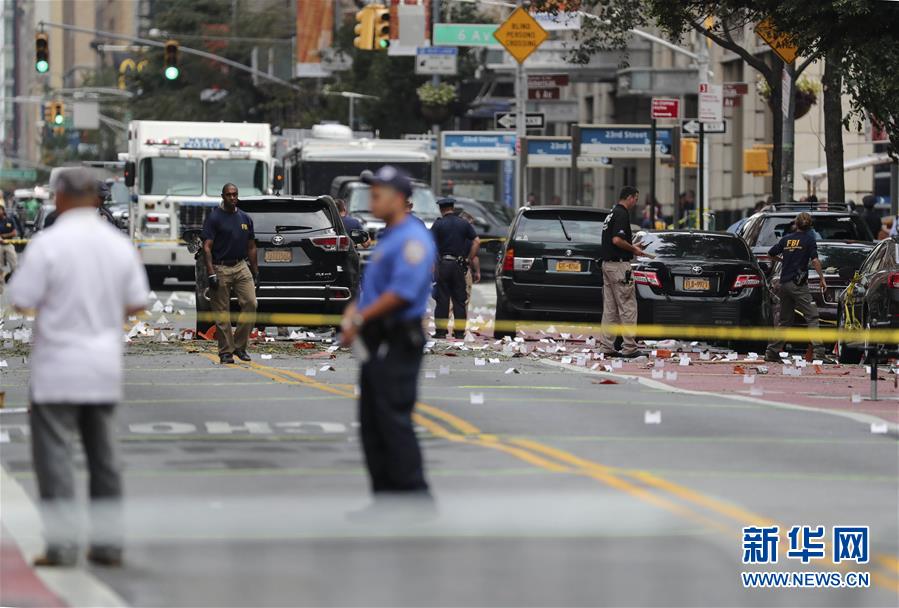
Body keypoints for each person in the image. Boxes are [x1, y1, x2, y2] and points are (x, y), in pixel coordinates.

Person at [7, 168, 149, 567]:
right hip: (102, 366)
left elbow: (21, 298)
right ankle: (108, 545)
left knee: (55, 458)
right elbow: (138, 301)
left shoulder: (49, 244)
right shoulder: (117, 245)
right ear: (97, 198)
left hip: (57, 368)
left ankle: (63, 546)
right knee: (104, 458)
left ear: (62, 198)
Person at [338, 165, 436, 501]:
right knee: (373, 424)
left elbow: (401, 293)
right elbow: (376, 287)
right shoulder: (391, 235)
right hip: (378, 339)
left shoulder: (413, 238)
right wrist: (355, 311)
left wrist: (360, 318)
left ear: (397, 199)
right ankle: (384, 500)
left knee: (393, 421)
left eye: (377, 194)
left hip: (397, 338)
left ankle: (414, 497)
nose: (370, 199)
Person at [201, 183, 258, 364]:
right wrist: (211, 273)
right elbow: (207, 247)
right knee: (222, 313)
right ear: (223, 196)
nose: (232, 198)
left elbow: (251, 246)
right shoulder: (214, 218)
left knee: (251, 303)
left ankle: (240, 347)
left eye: (235, 194)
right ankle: (226, 352)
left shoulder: (245, 218)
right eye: (229, 195)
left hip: (241, 265)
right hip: (220, 267)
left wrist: (255, 271)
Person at [765, 212, 830, 362]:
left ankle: (772, 352)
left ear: (796, 224)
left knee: (785, 321)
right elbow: (815, 261)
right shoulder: (809, 240)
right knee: (812, 317)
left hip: (784, 284)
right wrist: (822, 278)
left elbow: (770, 253)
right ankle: (819, 353)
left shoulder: (786, 239)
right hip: (798, 284)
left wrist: (782, 260)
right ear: (810, 226)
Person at [598, 186, 649, 357]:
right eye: (635, 198)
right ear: (629, 197)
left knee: (610, 308)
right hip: (619, 267)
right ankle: (629, 348)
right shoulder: (622, 214)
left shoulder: (611, 213)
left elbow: (614, 241)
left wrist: (632, 247)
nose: (636, 202)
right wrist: (633, 250)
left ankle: (606, 346)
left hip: (607, 265)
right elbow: (617, 239)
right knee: (628, 306)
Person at [430, 197, 480, 339]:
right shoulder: (463, 224)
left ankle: (440, 332)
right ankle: (459, 332)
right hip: (459, 265)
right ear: (453, 207)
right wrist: (468, 258)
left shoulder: (438, 225)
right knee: (459, 299)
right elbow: (476, 241)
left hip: (443, 265)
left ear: (441, 209)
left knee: (442, 299)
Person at [0, 199, 18, 284]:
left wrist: (4, 236)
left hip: (8, 244)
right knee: (0, 268)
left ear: (3, 211)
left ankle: (9, 277)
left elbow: (14, 233)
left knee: (14, 266)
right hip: (0, 245)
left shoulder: (9, 220)